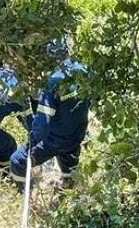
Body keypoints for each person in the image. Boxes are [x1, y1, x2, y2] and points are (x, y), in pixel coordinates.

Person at [10, 39, 89, 187]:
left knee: (17, 160)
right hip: (78, 134)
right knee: (69, 163)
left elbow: (43, 122)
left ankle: (25, 192)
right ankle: (69, 186)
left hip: (56, 139)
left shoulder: (54, 81)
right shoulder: (84, 70)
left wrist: (32, 142)